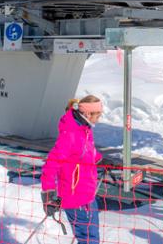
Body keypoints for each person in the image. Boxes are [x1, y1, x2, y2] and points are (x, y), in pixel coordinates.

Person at [41, 95, 104, 244]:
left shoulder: (85, 128)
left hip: (87, 194)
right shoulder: (71, 134)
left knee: (92, 237)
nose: (99, 119)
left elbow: (87, 151)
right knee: (89, 240)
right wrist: (48, 195)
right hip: (75, 197)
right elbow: (51, 164)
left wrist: (100, 159)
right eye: (98, 115)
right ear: (88, 114)